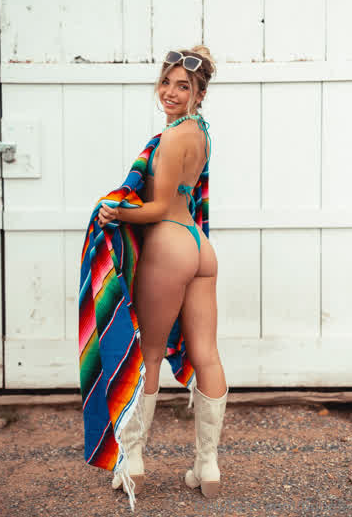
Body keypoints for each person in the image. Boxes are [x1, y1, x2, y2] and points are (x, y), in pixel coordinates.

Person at [98, 46, 228, 500]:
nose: (170, 92)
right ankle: (207, 466)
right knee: (207, 354)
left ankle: (132, 462)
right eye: (166, 82)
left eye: (183, 86)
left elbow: (155, 208)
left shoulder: (173, 138)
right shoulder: (201, 133)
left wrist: (115, 211)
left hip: (170, 244)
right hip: (199, 247)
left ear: (200, 93)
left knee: (149, 353)